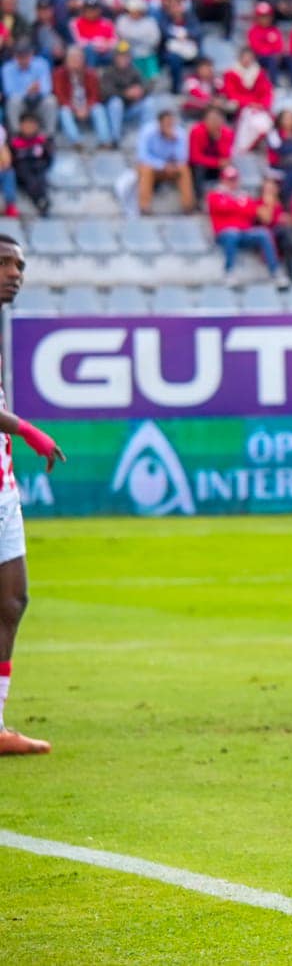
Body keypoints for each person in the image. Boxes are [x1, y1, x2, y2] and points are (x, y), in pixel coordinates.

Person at [0, 234, 66, 757]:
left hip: (1, 487)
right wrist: (27, 429)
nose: (14, 272)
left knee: (12, 600)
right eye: (3, 262)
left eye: (20, 263)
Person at [208, 166, 284, 286]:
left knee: (263, 233)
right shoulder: (215, 195)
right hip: (224, 234)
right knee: (231, 233)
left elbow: (253, 211)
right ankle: (228, 272)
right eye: (229, 180)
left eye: (234, 180)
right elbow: (222, 207)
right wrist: (239, 205)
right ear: (223, 180)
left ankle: (275, 272)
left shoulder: (243, 196)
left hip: (243, 232)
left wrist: (236, 205)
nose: (232, 183)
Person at [135, 109, 195, 214]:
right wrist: (162, 165)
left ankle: (187, 206)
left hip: (171, 168)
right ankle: (144, 207)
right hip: (153, 168)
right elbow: (142, 156)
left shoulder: (179, 133)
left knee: (184, 170)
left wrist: (173, 140)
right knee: (146, 169)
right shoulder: (147, 131)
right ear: (159, 123)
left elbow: (183, 158)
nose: (170, 125)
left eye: (171, 123)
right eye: (167, 123)